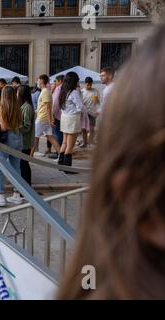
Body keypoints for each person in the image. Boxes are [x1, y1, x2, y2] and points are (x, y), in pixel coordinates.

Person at [57, 25, 165, 299]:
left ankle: (62, 162)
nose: (100, 77)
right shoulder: (80, 92)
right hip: (80, 120)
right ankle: (64, 162)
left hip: (72, 120)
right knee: (69, 143)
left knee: (66, 143)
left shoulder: (64, 91)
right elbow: (84, 108)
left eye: (103, 73)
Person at [0, 86, 23, 207]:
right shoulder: (18, 107)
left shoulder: (3, 109)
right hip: (18, 137)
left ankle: (0, 196)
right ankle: (16, 195)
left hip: (7, 139)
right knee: (16, 167)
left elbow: (4, 127)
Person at [58, 72, 85, 173]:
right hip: (72, 118)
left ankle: (61, 165)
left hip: (64, 117)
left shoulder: (63, 90)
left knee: (65, 142)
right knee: (70, 145)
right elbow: (80, 107)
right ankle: (67, 169)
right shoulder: (74, 92)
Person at [33, 74, 61, 157]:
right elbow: (44, 106)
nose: (37, 82)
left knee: (35, 137)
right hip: (45, 118)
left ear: (41, 81)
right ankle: (60, 156)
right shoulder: (45, 91)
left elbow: (48, 107)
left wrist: (50, 121)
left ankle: (29, 158)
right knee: (50, 137)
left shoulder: (45, 91)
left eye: (38, 80)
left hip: (43, 119)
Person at [17, 85, 35, 187]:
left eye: (18, 92)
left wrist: (16, 126)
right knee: (23, 165)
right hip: (23, 141)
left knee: (24, 165)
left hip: (25, 142)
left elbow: (27, 126)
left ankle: (26, 187)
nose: (16, 94)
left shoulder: (27, 107)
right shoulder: (24, 105)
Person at [82, 77, 100, 147]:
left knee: (92, 128)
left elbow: (99, 102)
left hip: (92, 112)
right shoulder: (82, 92)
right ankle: (85, 143)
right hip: (84, 113)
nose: (89, 86)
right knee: (84, 128)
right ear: (85, 84)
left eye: (90, 85)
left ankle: (91, 141)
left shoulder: (95, 91)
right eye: (87, 85)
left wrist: (97, 101)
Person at [51, 75, 65, 150]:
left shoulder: (59, 89)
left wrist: (52, 114)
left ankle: (59, 152)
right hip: (63, 115)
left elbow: (55, 103)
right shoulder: (66, 88)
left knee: (58, 134)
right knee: (62, 134)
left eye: (56, 81)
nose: (55, 83)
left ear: (60, 81)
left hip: (57, 115)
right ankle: (61, 152)